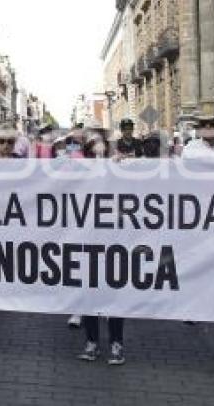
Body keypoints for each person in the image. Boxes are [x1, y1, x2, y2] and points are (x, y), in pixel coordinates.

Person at [78, 127, 125, 366]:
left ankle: (116, 344)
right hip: (87, 241)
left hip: (112, 240)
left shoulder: (118, 167)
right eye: (91, 142)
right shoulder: (77, 170)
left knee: (113, 293)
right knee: (89, 295)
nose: (96, 146)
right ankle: (92, 342)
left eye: (100, 141)